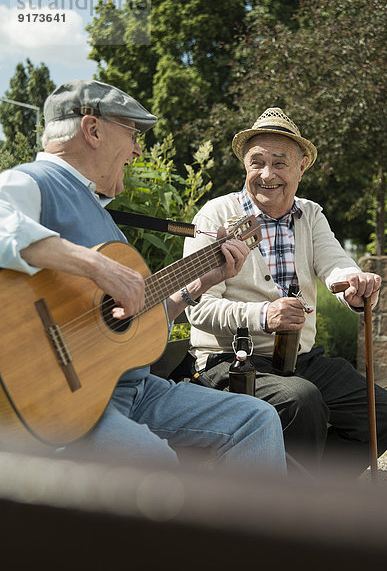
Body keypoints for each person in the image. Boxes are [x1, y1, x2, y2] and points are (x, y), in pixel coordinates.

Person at [0, 81, 287, 473]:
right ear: (93, 130)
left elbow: (130, 328)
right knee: (157, 466)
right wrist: (95, 265)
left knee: (256, 419)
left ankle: (250, 534)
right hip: (67, 400)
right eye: (132, 134)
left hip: (132, 389)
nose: (138, 149)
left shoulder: (102, 215)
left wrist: (200, 283)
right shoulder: (36, 182)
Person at [183, 107, 387, 476]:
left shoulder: (311, 214)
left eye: (280, 163)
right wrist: (262, 316)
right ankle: (292, 514)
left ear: (301, 167)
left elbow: (336, 264)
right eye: (257, 163)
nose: (267, 174)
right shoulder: (215, 216)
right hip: (230, 361)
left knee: (384, 413)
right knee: (302, 400)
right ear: (245, 166)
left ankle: (311, 495)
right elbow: (198, 307)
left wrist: (352, 285)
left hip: (299, 359)